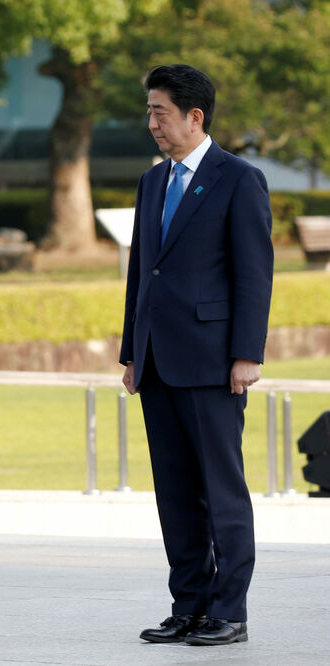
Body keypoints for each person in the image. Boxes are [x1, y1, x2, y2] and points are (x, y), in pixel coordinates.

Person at [120, 64, 273, 646]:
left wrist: (246, 354)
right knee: (176, 490)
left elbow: (254, 275)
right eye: (150, 111)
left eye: (160, 112)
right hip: (157, 362)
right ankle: (189, 605)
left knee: (220, 489)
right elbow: (142, 275)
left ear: (194, 116)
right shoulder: (152, 182)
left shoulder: (239, 178)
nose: (151, 123)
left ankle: (228, 610)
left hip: (213, 363)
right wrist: (132, 352)